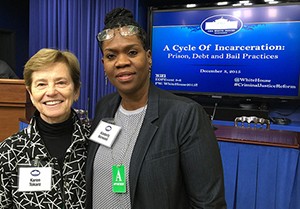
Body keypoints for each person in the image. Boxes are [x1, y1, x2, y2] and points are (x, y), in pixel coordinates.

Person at [86, 7, 227, 209]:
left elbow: (209, 204)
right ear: (103, 64)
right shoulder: (103, 108)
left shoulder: (185, 115)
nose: (122, 62)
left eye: (132, 52)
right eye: (111, 56)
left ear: (149, 57)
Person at [0, 48, 90, 208]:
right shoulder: (9, 152)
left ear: (76, 90)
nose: (51, 92)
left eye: (61, 82)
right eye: (41, 84)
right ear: (30, 93)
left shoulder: (96, 146)